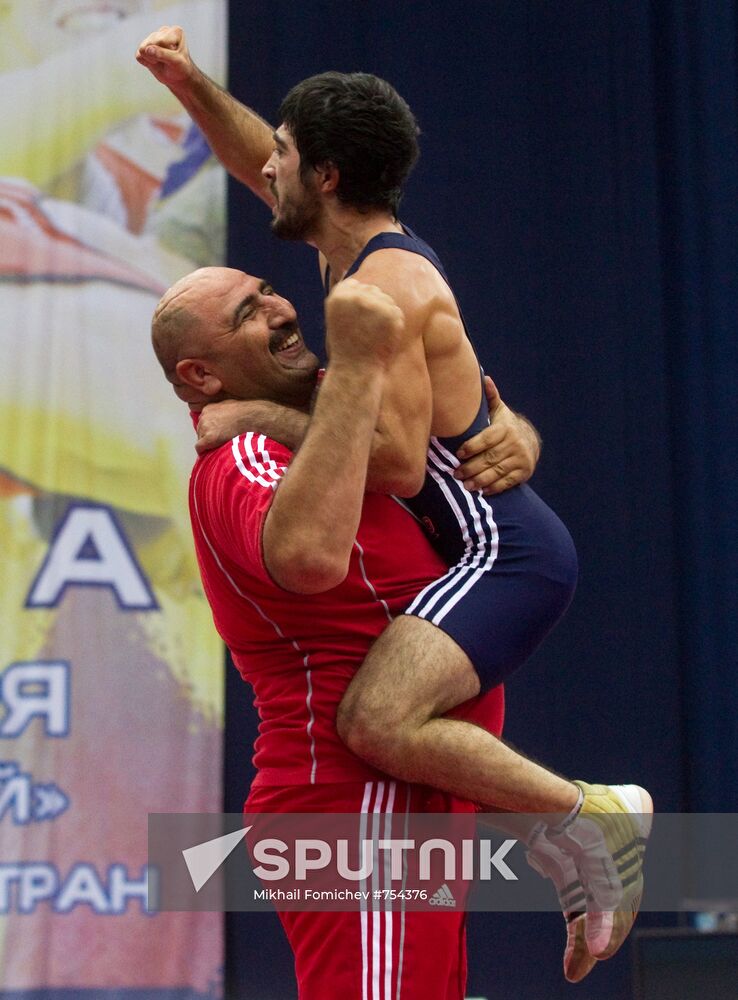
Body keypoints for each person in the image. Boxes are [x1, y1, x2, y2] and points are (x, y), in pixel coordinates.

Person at [137, 26, 653, 971]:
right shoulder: (350, 257)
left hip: (505, 554)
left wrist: (263, 414)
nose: (267, 169)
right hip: (492, 540)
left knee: (375, 721)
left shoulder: (386, 285)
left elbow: (400, 466)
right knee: (387, 729)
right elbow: (252, 149)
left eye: (284, 159)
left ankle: (592, 820)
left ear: (323, 178)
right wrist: (185, 80)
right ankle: (574, 836)